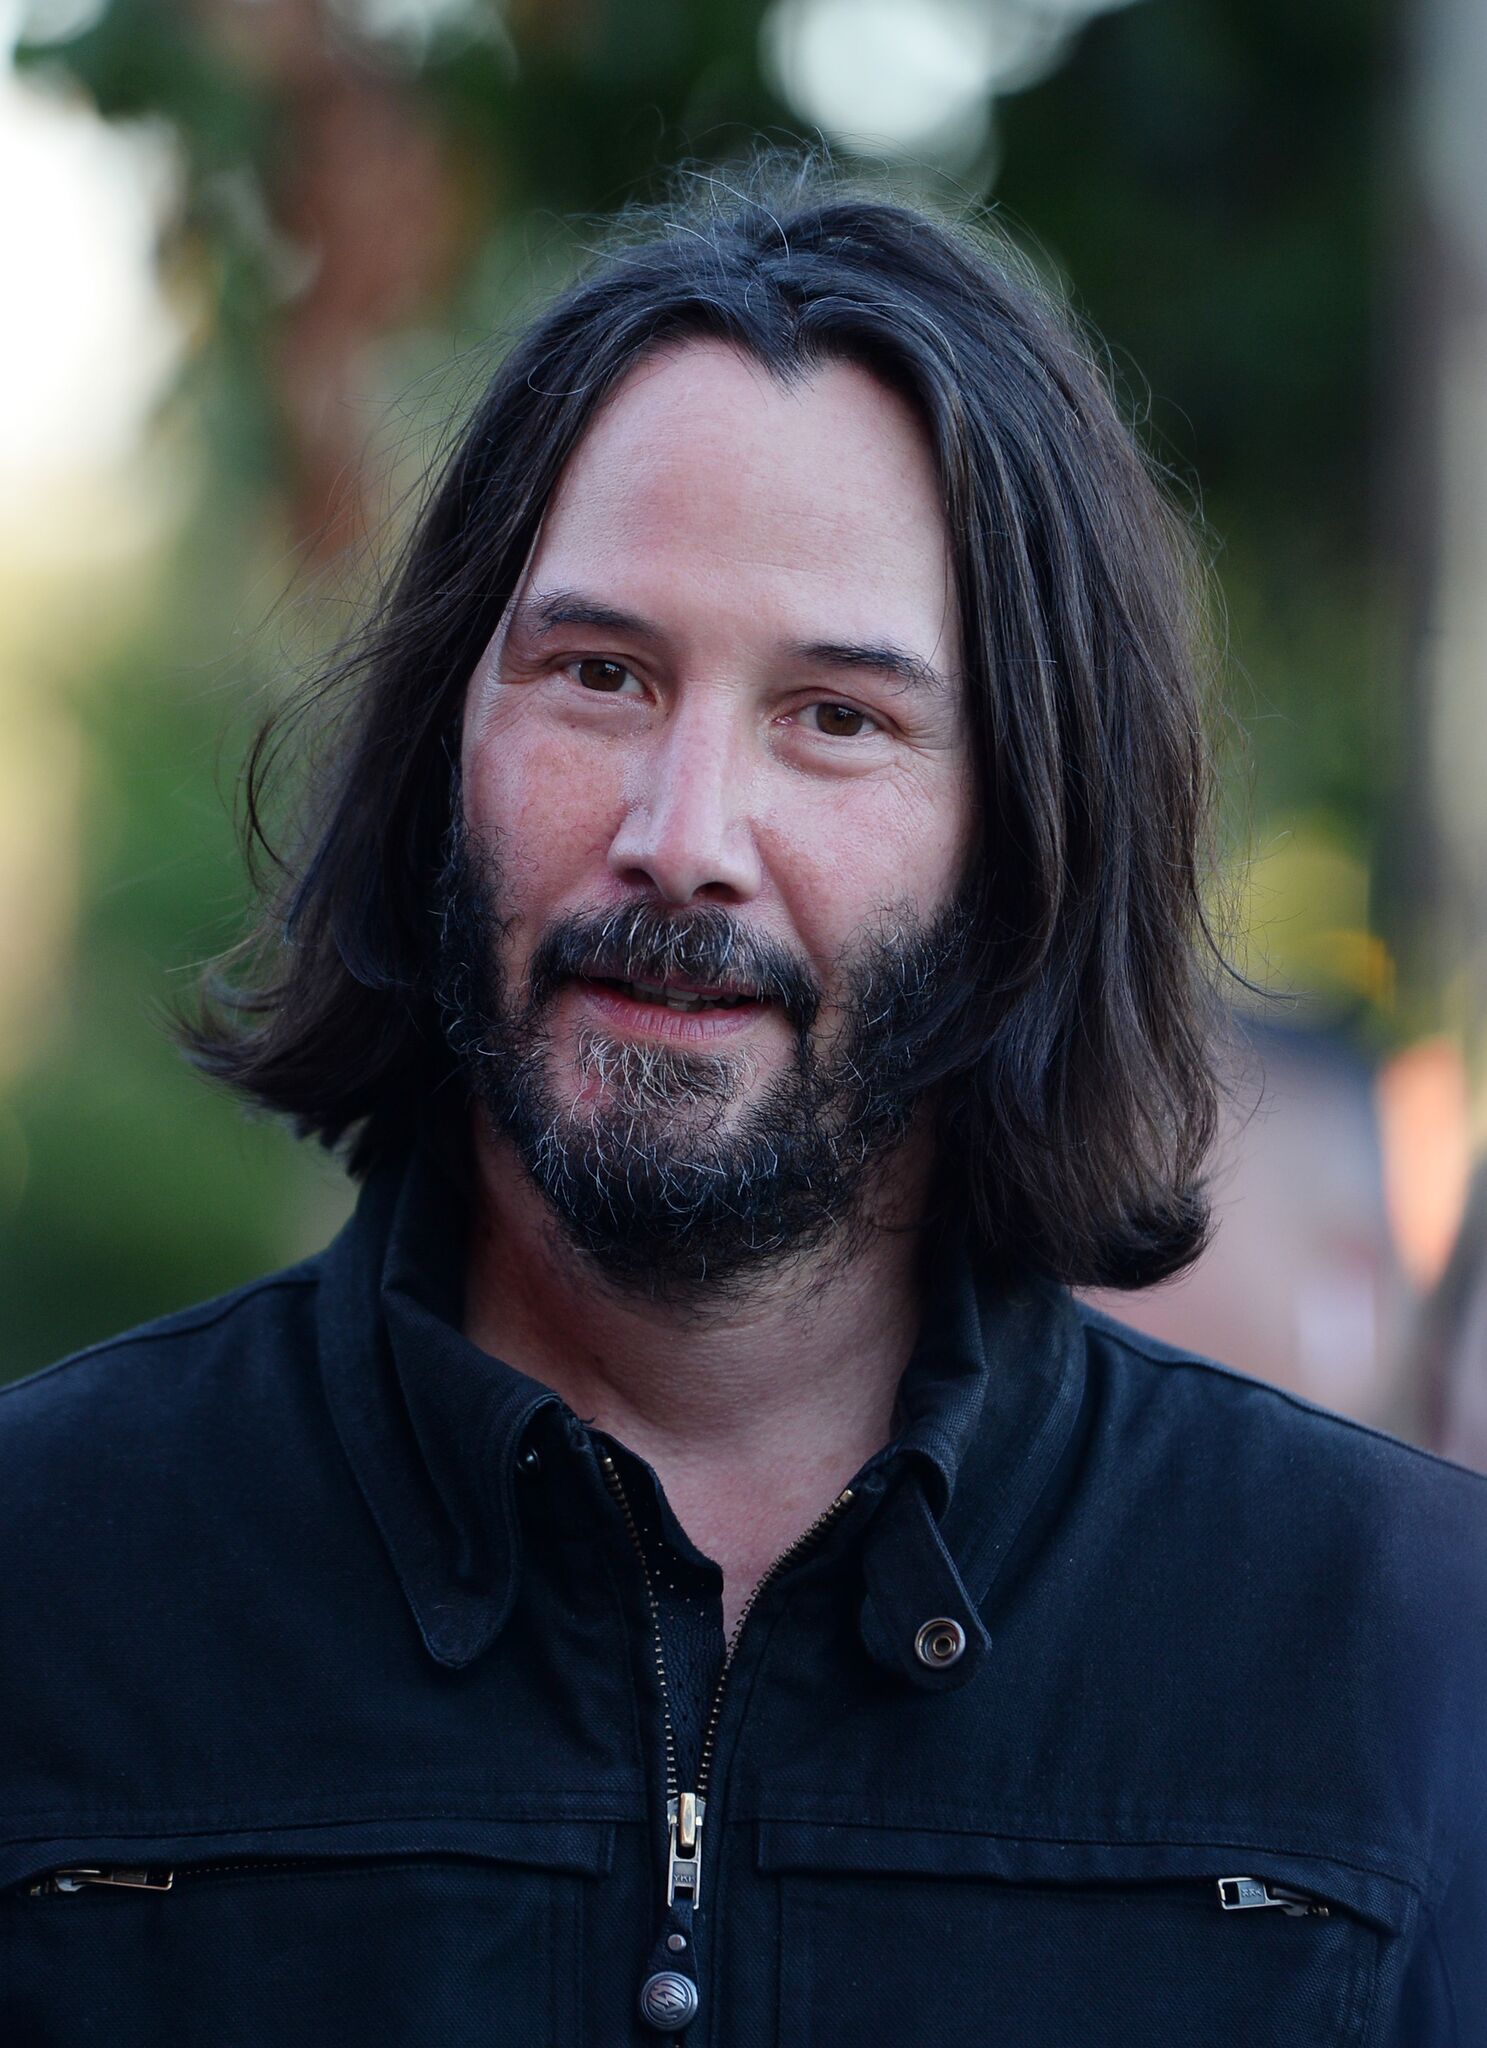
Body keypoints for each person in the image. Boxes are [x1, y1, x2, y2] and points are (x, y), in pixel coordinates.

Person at [1, 164, 1481, 2046]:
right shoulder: (50, 1591)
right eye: (600, 676)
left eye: (836, 718)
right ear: (448, 744)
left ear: (1029, 837)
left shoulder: (1403, 1657)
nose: (683, 836)